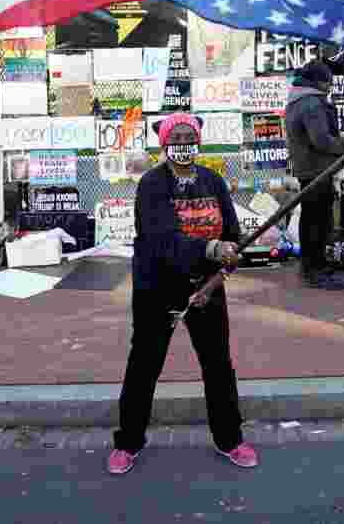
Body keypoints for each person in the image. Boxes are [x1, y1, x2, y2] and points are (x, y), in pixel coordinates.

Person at [108, 112, 256, 475]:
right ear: (165, 144)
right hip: (157, 287)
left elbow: (232, 234)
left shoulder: (213, 180)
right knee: (145, 363)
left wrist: (229, 256)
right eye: (178, 138)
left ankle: (230, 438)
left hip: (206, 289)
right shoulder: (152, 185)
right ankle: (128, 442)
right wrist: (212, 249)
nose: (184, 144)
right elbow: (162, 240)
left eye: (191, 137)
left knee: (218, 364)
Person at [285, 60, 344, 288]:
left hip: (308, 168)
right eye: (328, 82)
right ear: (319, 81)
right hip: (318, 169)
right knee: (318, 220)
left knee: (310, 218)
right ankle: (314, 270)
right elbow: (321, 140)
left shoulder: (297, 100)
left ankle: (311, 265)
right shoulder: (311, 103)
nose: (330, 87)